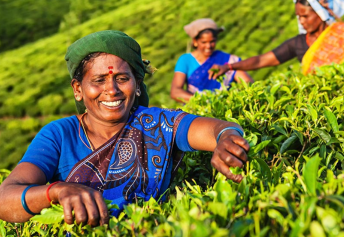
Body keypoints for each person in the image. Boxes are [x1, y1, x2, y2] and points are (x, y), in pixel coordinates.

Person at [0, 30, 250, 226]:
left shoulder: (157, 123)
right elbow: (5, 198)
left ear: (138, 85)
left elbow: (217, 129)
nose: (112, 90)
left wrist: (226, 139)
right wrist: (57, 191)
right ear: (78, 89)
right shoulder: (58, 135)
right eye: (98, 80)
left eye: (122, 78)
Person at [208, 0, 344, 79]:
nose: (301, 21)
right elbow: (262, 60)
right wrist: (228, 67)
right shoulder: (298, 43)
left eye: (306, 16)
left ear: (320, 13)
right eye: (299, 16)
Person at [171, 18, 253, 103]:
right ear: (195, 41)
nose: (208, 46)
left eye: (212, 41)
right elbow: (175, 92)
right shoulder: (185, 60)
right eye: (204, 42)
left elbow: (248, 84)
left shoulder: (228, 60)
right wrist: (205, 101)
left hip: (223, 108)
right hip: (196, 111)